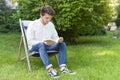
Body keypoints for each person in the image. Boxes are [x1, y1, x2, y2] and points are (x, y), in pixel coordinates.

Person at [26, 5, 76, 78]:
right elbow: (30, 41)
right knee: (41, 44)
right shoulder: (32, 24)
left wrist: (58, 40)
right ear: (41, 15)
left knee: (62, 44)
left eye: (50, 18)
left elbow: (55, 37)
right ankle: (50, 70)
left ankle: (63, 68)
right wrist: (43, 42)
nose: (48, 20)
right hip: (35, 49)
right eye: (47, 18)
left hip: (48, 47)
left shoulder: (51, 25)